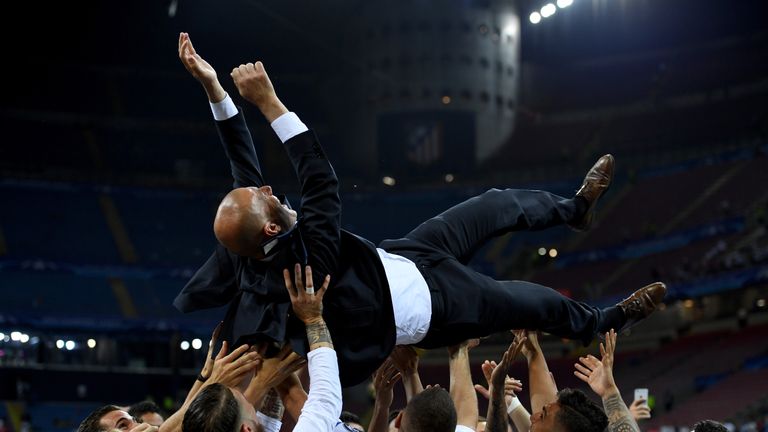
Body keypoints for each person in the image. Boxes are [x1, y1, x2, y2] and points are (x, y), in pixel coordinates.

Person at [173, 32, 667, 386]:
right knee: (528, 300)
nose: (265, 188)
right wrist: (270, 102)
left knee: (494, 205)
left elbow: (242, 165)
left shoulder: (251, 243)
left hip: (402, 256)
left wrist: (213, 88)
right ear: (273, 229)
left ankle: (573, 209)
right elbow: (320, 179)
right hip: (429, 304)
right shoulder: (305, 264)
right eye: (263, 199)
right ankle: (604, 321)